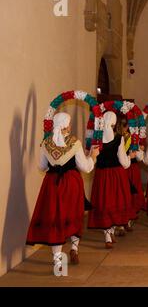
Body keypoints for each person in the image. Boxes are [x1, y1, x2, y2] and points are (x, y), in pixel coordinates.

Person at [26, 113, 99, 269]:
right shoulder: (75, 143)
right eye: (70, 123)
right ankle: (74, 248)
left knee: (55, 218)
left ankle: (58, 260)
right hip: (71, 183)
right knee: (74, 214)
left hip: (52, 184)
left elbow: (42, 166)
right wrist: (93, 156)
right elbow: (85, 167)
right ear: (66, 126)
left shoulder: (46, 143)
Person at [87, 111, 137, 249]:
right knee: (115, 202)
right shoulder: (119, 138)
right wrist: (130, 157)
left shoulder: (96, 139)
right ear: (114, 123)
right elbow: (124, 162)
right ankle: (111, 232)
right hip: (116, 175)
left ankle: (108, 235)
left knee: (104, 202)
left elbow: (92, 157)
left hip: (102, 175)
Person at [116, 115, 145, 234]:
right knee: (128, 195)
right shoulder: (132, 138)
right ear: (128, 126)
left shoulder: (114, 137)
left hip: (120, 169)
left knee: (122, 195)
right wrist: (140, 150)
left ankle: (123, 223)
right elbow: (140, 157)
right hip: (129, 169)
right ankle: (125, 222)